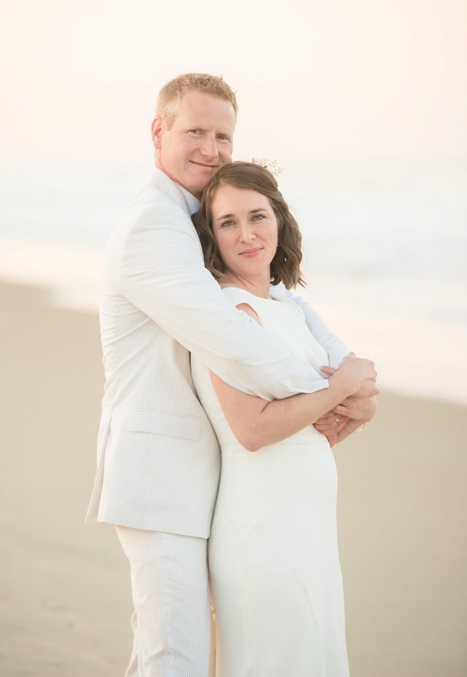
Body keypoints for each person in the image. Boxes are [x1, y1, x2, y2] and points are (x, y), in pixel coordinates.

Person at [84, 73, 377, 676]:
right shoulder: (154, 227)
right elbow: (233, 345)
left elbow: (303, 330)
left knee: (174, 656)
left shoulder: (194, 224)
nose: (210, 149)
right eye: (195, 131)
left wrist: (353, 394)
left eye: (223, 135)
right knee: (176, 659)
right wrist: (334, 393)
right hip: (162, 478)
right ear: (158, 132)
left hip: (203, 483)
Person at [190, 161, 367, 674]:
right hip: (262, 532)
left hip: (309, 532)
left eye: (257, 216)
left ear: (279, 220)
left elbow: (362, 383)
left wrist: (357, 398)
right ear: (211, 235)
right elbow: (252, 429)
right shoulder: (225, 314)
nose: (246, 234)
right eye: (227, 222)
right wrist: (340, 388)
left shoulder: (289, 307)